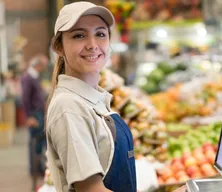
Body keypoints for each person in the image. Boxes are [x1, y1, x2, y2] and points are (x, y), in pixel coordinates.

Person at [45, 2, 136, 192]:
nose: (92, 45)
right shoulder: (69, 106)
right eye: (79, 35)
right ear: (59, 47)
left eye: (100, 34)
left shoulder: (94, 100)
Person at [21, 54, 49, 191]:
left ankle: (39, 168)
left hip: (39, 114)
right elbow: (25, 98)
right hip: (35, 115)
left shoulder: (34, 77)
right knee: (35, 144)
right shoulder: (28, 78)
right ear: (39, 65)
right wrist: (28, 117)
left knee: (40, 143)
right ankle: (35, 171)